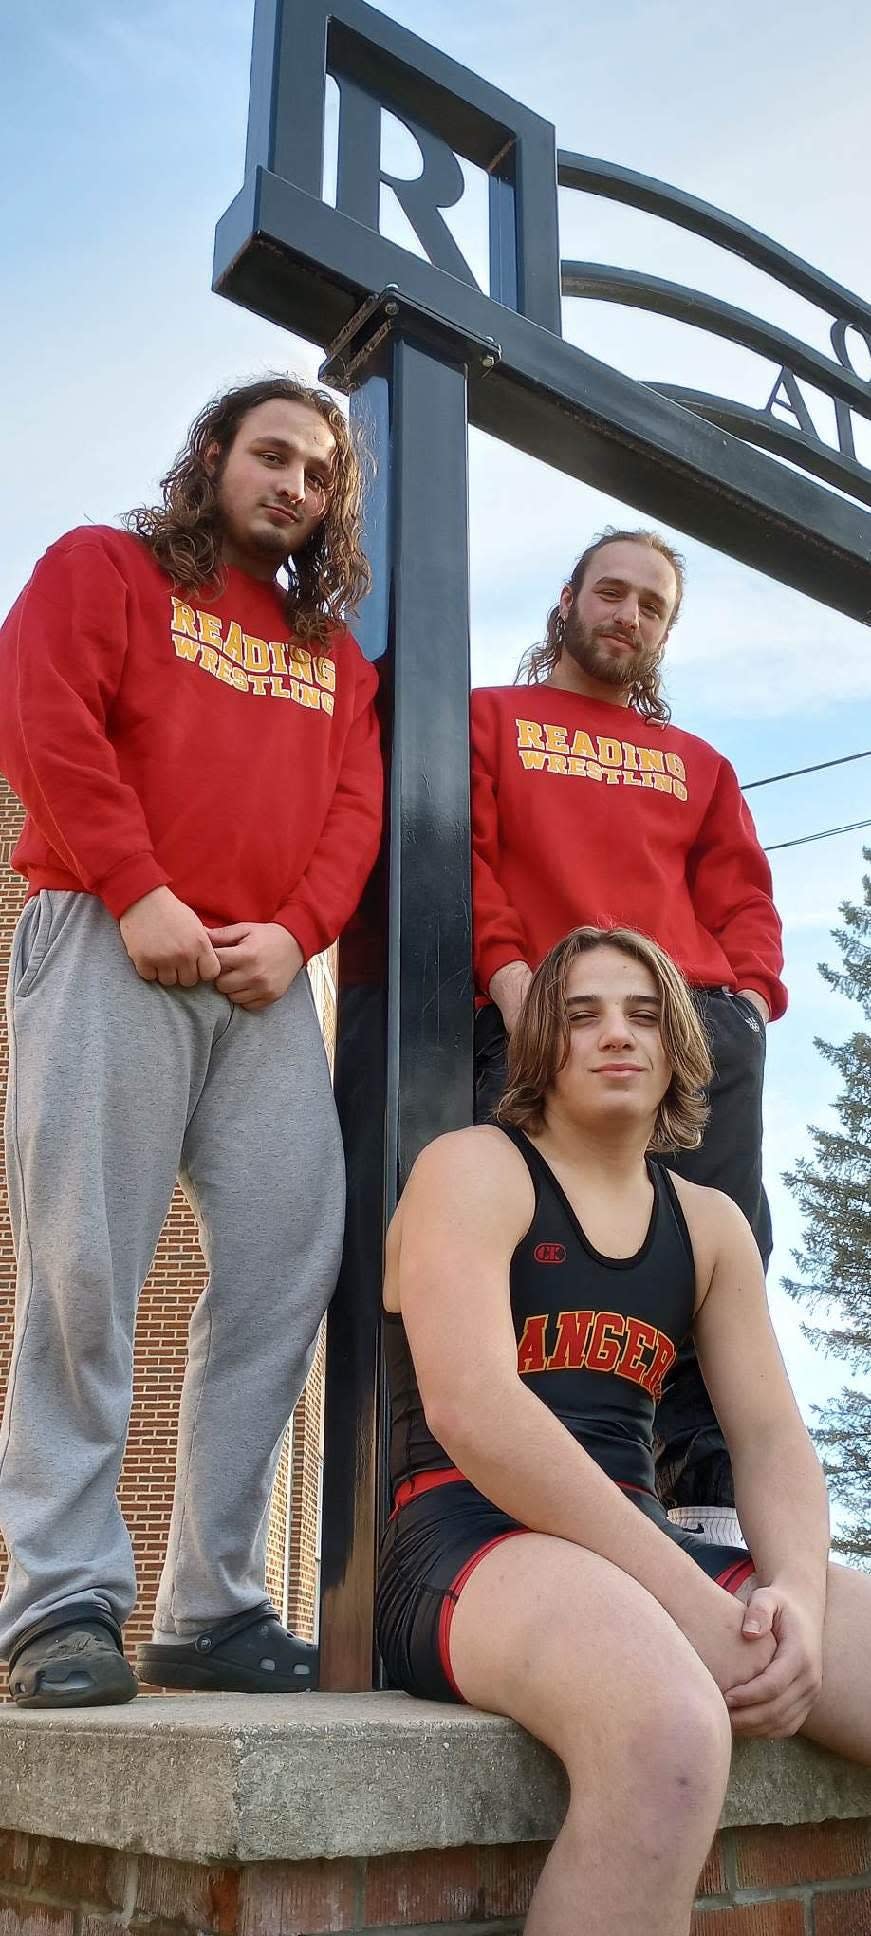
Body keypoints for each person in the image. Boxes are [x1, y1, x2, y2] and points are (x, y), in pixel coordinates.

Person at [0, 375, 382, 1707]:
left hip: (264, 987)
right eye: (271, 455)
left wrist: (298, 932)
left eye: (319, 474)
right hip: (112, 942)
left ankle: (209, 1604)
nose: (292, 484)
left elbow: (352, 811)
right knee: (81, 1272)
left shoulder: (332, 659)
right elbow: (46, 720)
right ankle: (59, 1604)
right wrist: (133, 886)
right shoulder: (102, 569)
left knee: (289, 1262)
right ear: (213, 454)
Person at [378, 926, 871, 1936]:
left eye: (644, 1014)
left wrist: (799, 1608)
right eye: (584, 1011)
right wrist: (690, 1597)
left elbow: (772, 1442)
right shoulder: (471, 1169)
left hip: (638, 1552)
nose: (617, 1034)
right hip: (463, 1541)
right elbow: (474, 1409)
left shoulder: (710, 1225)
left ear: (679, 1046)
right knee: (671, 1733)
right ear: (540, 1043)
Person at [471, 529, 785, 1536]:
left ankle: (711, 1523)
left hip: (693, 1029)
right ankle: (526, 1516)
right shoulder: (490, 719)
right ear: (566, 599)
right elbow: (460, 856)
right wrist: (514, 980)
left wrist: (746, 1007)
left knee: (710, 1264)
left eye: (653, 606)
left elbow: (743, 896)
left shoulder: (697, 763)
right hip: (538, 1022)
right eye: (612, 592)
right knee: (536, 1265)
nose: (629, 615)